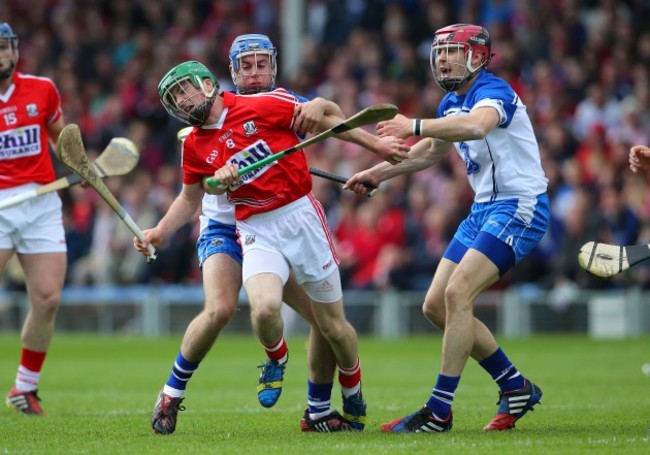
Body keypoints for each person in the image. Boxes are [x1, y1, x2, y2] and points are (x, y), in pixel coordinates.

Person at [137, 38, 408, 435]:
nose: (254, 72)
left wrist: (333, 114)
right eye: (246, 66)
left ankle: (321, 409)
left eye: (261, 64)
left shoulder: (270, 102)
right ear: (230, 72)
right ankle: (177, 392)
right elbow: (194, 193)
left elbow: (329, 117)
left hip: (294, 215)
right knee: (224, 310)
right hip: (234, 224)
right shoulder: (195, 142)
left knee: (327, 324)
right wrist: (161, 230)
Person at [344, 23, 549, 432]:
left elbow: (476, 127)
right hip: (483, 210)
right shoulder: (450, 103)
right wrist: (377, 173)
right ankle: (515, 384)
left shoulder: (494, 92)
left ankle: (438, 411)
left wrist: (413, 125)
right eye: (439, 53)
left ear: (477, 55)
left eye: (452, 51)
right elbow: (429, 154)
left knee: (458, 293)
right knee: (435, 304)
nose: (442, 59)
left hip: (519, 206)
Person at [0, 22, 67, 416]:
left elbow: (59, 136)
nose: (1, 54)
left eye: (5, 46)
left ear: (14, 51)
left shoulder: (42, 89)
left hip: (41, 200)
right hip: (0, 204)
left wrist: (80, 165)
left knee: (47, 297)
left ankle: (24, 388)